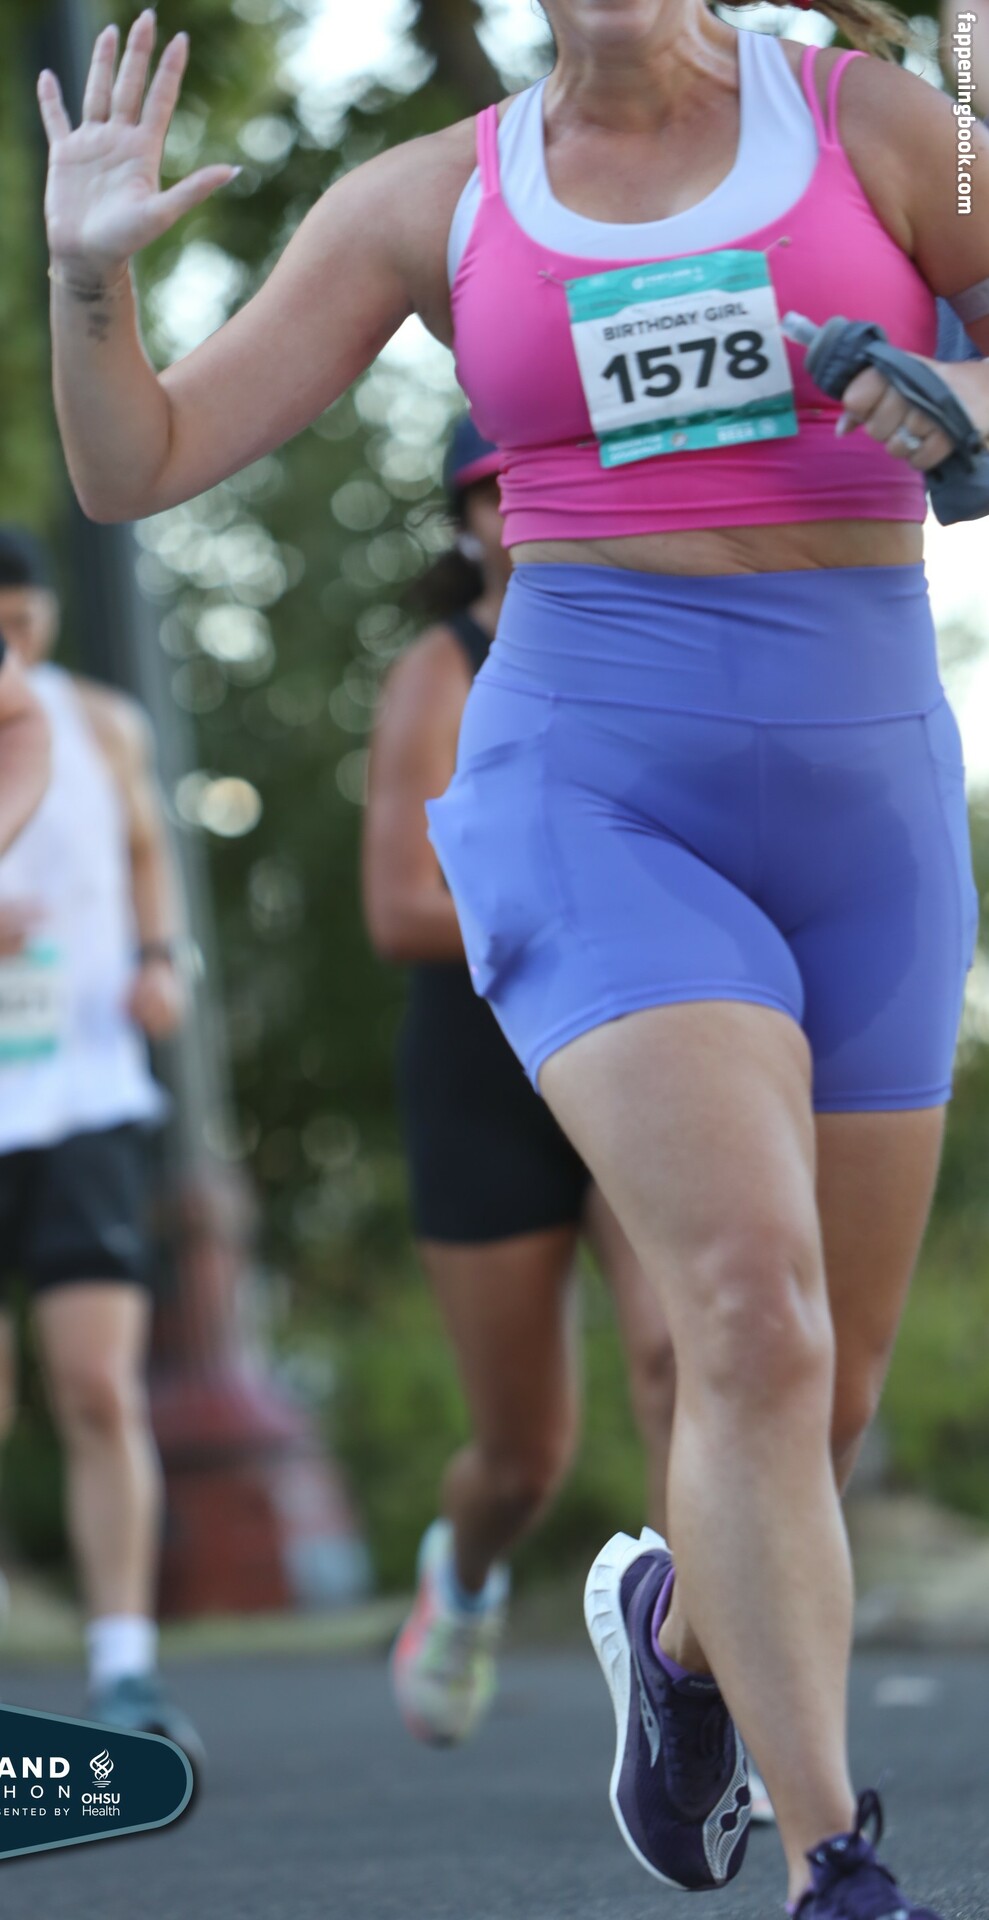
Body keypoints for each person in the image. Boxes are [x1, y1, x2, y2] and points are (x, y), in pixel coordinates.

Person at [36, 5, 989, 1912]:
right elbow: (139, 462)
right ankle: (833, 1866)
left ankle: (682, 1639)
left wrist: (955, 401)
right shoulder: (430, 202)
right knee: (747, 1311)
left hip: (866, 794)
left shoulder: (876, 127)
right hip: (590, 782)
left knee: (818, 1400)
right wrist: (87, 281)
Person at [363, 418, 682, 1735]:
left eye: (532, 477)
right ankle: (463, 1578)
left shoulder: (652, 634)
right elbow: (397, 907)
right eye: (487, 492)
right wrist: (571, 912)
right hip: (484, 1071)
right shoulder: (440, 669)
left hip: (631, 1043)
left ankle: (695, 1673)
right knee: (522, 1460)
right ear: (463, 519)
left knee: (679, 1355)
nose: (514, 506)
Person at [0, 528, 202, 1764]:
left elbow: (143, 847)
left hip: (82, 1097)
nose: (7, 651)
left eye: (19, 626)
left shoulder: (98, 725)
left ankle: (123, 1666)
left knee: (96, 1384)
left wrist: (159, 957)